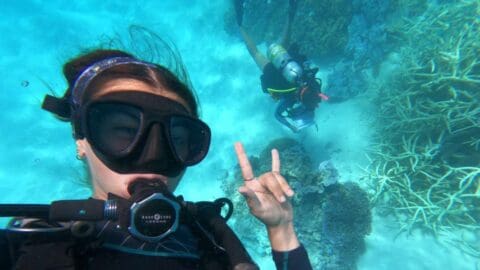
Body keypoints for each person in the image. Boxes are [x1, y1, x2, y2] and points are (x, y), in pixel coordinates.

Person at [0, 46, 312, 269]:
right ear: (82, 140)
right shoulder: (31, 241)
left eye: (175, 140)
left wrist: (281, 229)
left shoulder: (208, 234)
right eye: (124, 131)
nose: (153, 157)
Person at [234, 0, 328, 133]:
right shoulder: (291, 99)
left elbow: (319, 92)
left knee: (281, 46)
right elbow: (277, 115)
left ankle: (291, 12)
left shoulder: (312, 85)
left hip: (286, 64)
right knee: (255, 52)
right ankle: (240, 25)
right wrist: (291, 126)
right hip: (274, 76)